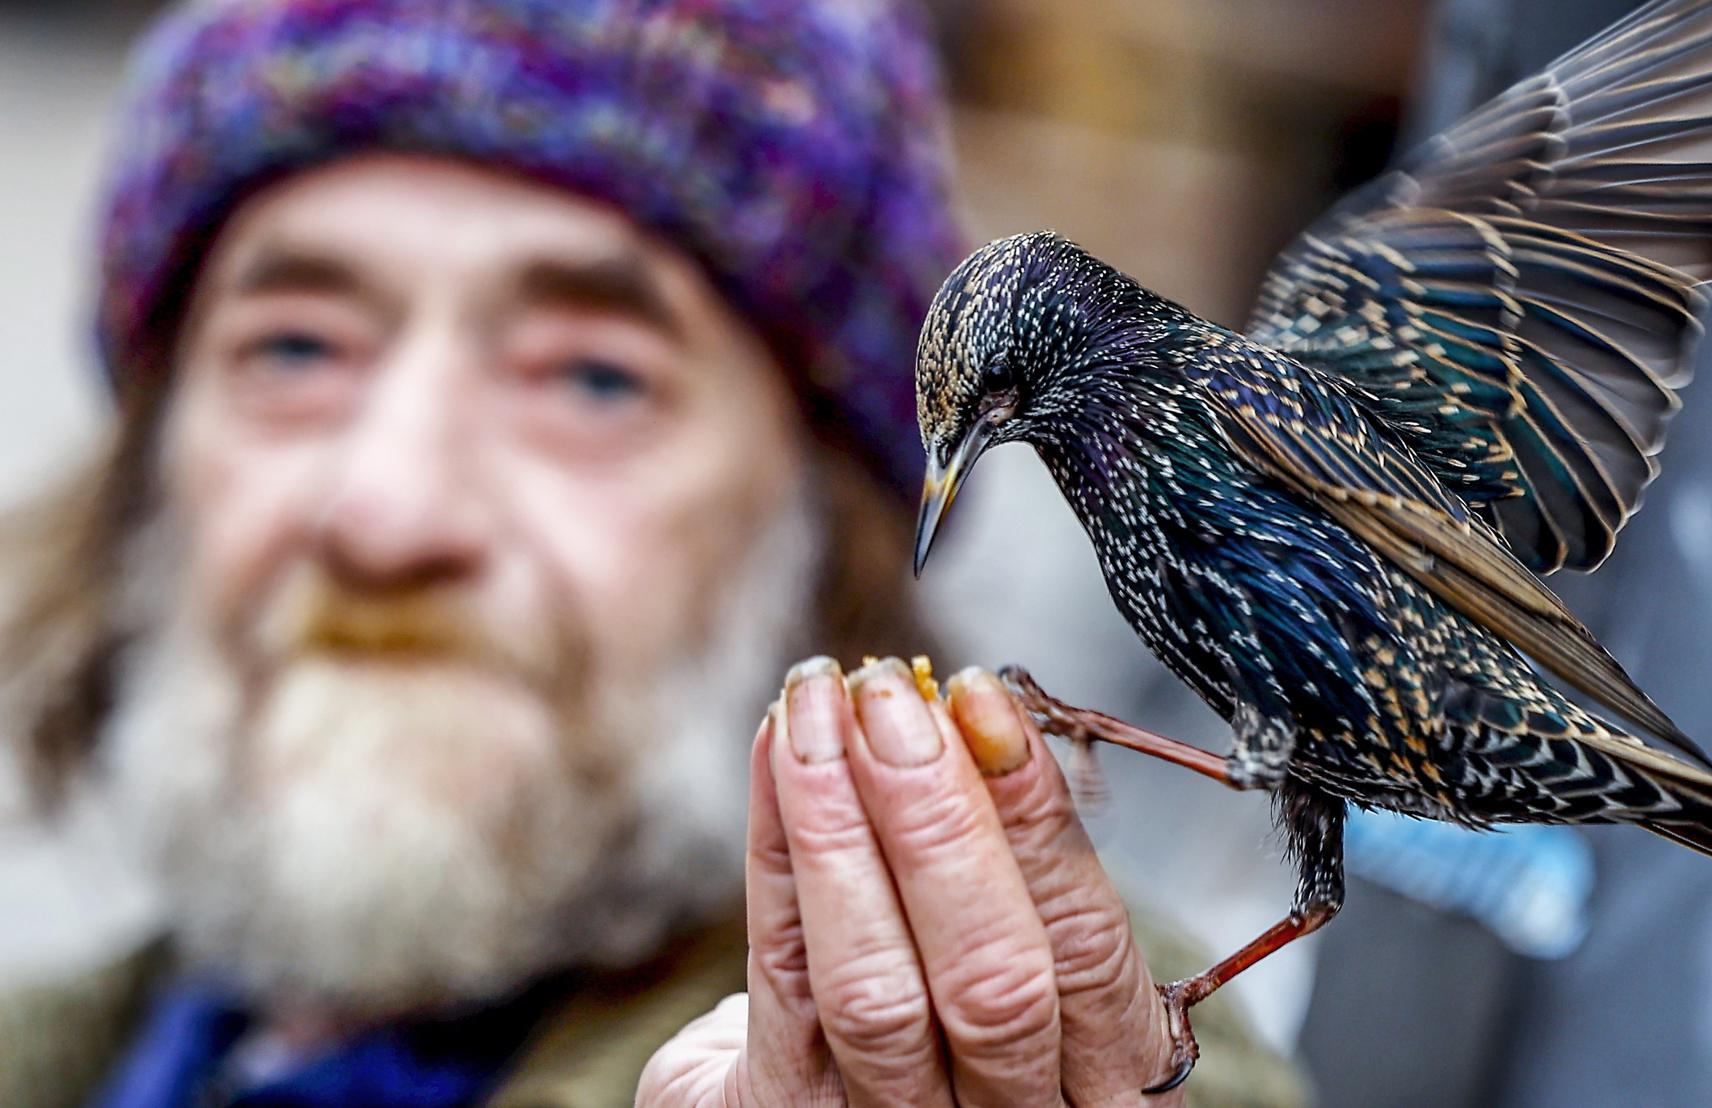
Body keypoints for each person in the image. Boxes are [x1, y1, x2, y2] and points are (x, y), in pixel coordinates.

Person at [0, 0, 1303, 1104]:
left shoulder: (1102, 1053)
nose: (385, 514)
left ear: (819, 536)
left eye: (591, 379)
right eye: (296, 349)